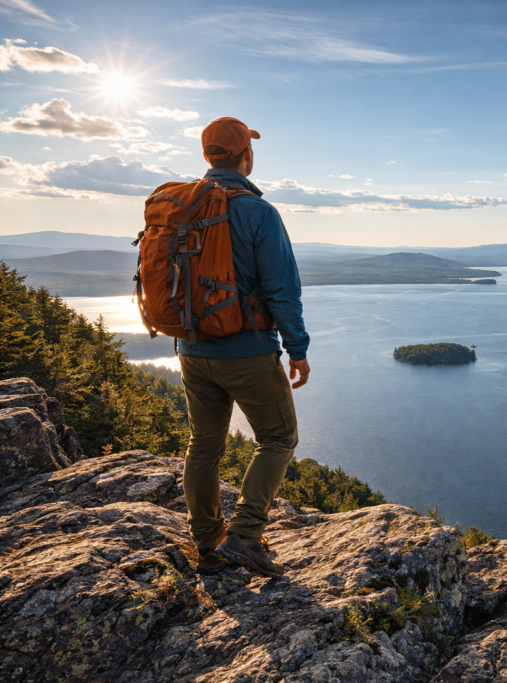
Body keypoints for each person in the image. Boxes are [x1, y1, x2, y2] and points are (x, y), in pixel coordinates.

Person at [179, 116, 311, 578]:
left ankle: (208, 543)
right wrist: (297, 348)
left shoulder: (181, 206)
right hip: (247, 350)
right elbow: (282, 290)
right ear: (246, 155)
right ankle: (247, 536)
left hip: (191, 350)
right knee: (278, 438)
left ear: (207, 155)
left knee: (204, 446)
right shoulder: (258, 212)